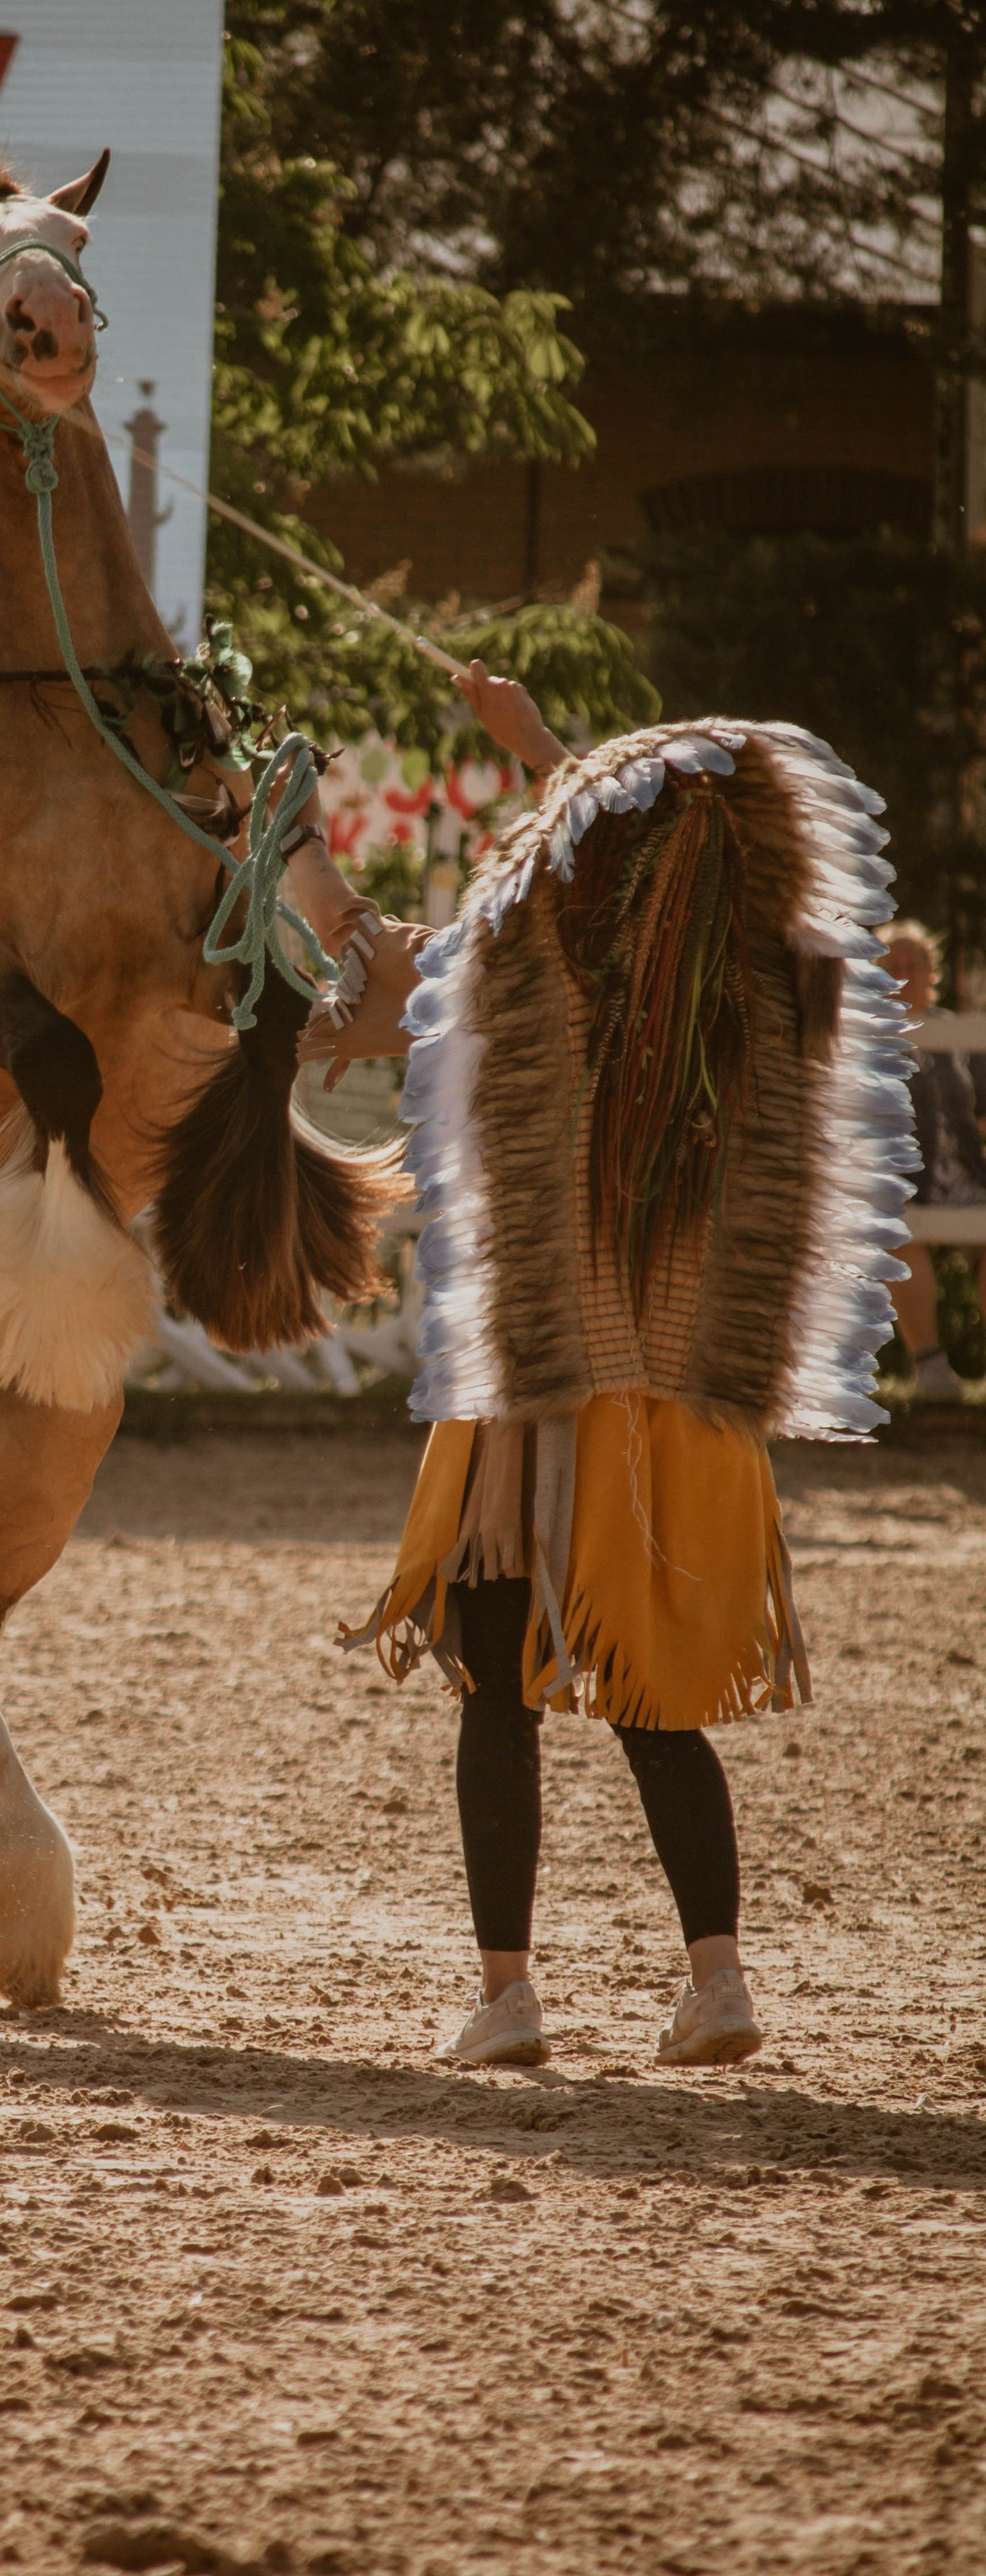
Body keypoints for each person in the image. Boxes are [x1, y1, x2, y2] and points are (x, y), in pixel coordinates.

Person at [310, 665, 915, 2070]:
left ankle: (507, 1995)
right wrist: (538, 750)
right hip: (675, 1404)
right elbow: (642, 876)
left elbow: (494, 945)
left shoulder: (541, 994)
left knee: (494, 1681)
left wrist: (522, 757)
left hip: (535, 1395)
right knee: (655, 1706)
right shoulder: (755, 1017)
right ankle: (716, 1980)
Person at [881, 919, 985, 1401]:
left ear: (931, 972)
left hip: (967, 1178)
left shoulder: (959, 1034)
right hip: (904, 1181)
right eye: (892, 964)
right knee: (895, 1229)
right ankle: (932, 1367)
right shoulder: (870, 1035)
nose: (903, 973)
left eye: (913, 964)